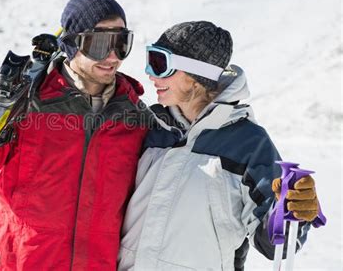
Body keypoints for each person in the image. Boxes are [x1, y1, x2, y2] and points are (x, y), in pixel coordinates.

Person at [0, 0, 149, 270]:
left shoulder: (135, 117)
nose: (112, 56)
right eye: (99, 44)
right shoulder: (24, 105)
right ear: (71, 45)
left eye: (121, 43)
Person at [117, 21, 321, 270]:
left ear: (195, 77)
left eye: (160, 64)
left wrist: (291, 212)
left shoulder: (247, 143)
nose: (150, 74)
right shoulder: (151, 126)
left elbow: (274, 244)